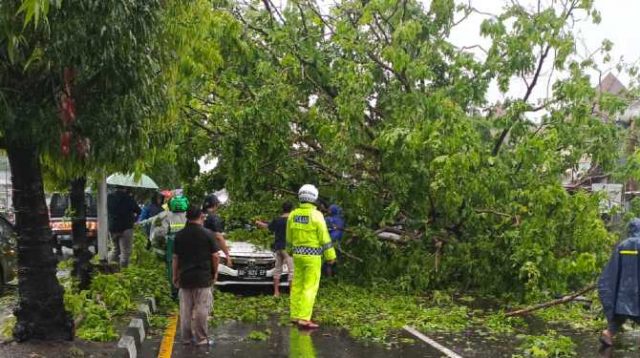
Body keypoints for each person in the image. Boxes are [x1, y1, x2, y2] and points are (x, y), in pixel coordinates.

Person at [287, 184, 336, 329]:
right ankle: (304, 318)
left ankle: (295, 315)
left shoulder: (293, 215)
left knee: (297, 286)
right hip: (312, 257)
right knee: (310, 287)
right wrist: (330, 256)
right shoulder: (317, 215)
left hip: (297, 256)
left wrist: (289, 251)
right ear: (314, 198)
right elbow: (324, 238)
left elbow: (289, 237)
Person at [172, 205, 220, 346]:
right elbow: (215, 256)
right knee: (201, 309)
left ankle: (186, 338)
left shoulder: (179, 235)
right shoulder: (208, 234)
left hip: (185, 277)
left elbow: (176, 258)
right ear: (201, 216)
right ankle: (201, 339)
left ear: (187, 217)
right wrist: (215, 272)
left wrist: (175, 276)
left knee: (185, 309)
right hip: (203, 277)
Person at [598, 218, 640, 347]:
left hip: (623, 291)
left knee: (619, 317)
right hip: (637, 290)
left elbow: (612, 269)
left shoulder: (622, 245)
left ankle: (608, 333)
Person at [256, 202, 295, 297]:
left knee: (277, 270)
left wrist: (258, 223)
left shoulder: (277, 219)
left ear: (283, 209)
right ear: (292, 209)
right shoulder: (293, 220)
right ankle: (292, 293)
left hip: (278, 247)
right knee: (292, 270)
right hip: (288, 247)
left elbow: (268, 227)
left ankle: (276, 292)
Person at [108, 186, 141, 268]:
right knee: (125, 253)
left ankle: (108, 268)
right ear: (125, 188)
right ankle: (123, 272)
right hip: (126, 228)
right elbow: (138, 210)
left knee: (115, 250)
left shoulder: (109, 197)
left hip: (113, 227)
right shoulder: (128, 198)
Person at [202, 195, 233, 267]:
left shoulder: (198, 215)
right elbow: (218, 236)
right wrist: (227, 255)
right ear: (215, 205)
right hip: (208, 255)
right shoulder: (213, 217)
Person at [323, 204, 345, 277]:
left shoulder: (328, 219)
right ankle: (335, 278)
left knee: (328, 262)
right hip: (338, 242)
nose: (328, 211)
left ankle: (329, 280)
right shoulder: (341, 220)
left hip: (329, 242)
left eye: (329, 209)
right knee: (335, 260)